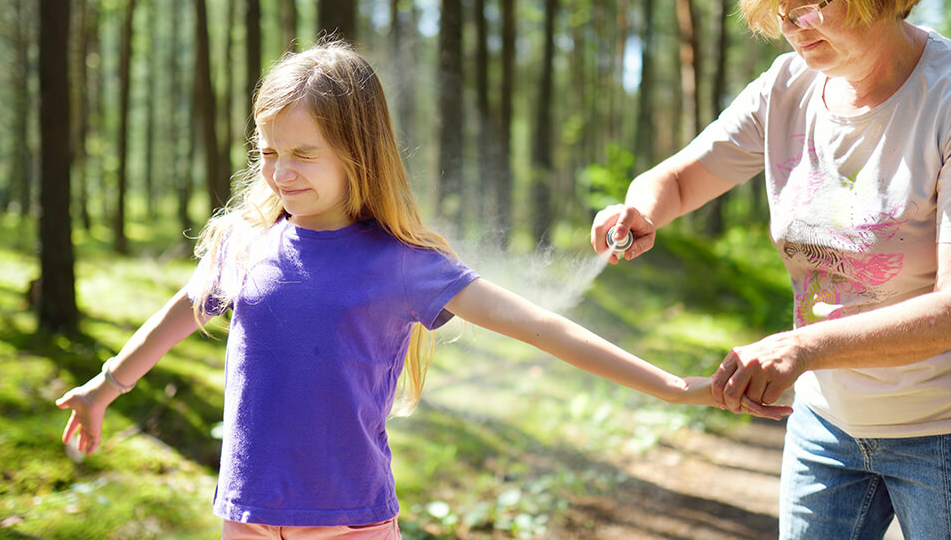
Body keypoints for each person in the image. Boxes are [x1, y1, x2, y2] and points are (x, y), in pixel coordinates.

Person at [55, 42, 786, 540]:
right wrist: (105, 387)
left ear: (358, 151)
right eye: (269, 152)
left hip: (351, 521)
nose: (280, 173)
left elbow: (540, 327)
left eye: (303, 154)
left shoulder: (402, 264)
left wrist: (673, 387)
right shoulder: (243, 244)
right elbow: (180, 313)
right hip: (244, 516)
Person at [591, 0, 951, 538]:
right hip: (824, 426)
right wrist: (637, 210)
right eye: (783, 8)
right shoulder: (787, 86)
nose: (793, 27)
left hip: (938, 429)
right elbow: (677, 179)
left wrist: (801, 349)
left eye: (813, 1)